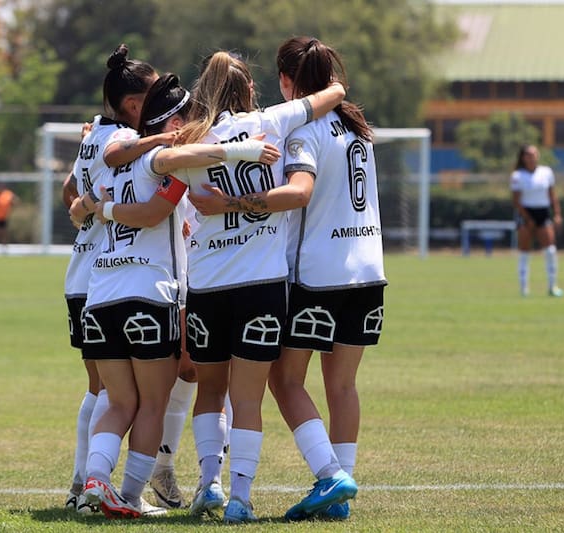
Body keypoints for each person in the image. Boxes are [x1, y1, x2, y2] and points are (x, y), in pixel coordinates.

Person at [71, 73, 280, 519]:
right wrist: (241, 149)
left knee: (117, 399)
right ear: (171, 124)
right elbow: (156, 208)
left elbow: (76, 201)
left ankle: (93, 481)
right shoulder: (165, 161)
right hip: (150, 293)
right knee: (152, 402)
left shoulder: (112, 158)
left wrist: (96, 207)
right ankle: (128, 495)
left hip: (100, 293)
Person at [189, 37, 378, 521]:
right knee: (343, 387)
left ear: (287, 83)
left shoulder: (295, 131)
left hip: (315, 275)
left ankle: (329, 474)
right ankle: (337, 496)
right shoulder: (357, 129)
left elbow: (299, 192)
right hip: (368, 271)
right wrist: (337, 88)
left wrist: (228, 204)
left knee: (284, 380)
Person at [62, 43, 172, 516]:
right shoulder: (117, 140)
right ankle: (97, 486)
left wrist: (89, 205)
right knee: (120, 394)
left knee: (106, 392)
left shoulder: (94, 135)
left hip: (89, 275)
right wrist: (161, 142)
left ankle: (84, 484)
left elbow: (70, 191)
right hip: (110, 275)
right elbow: (114, 158)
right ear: (133, 104)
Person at [511, 144, 563, 297]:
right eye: (528, 154)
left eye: (534, 154)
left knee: (550, 250)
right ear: (523, 157)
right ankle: (524, 288)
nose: (532, 157)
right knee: (524, 251)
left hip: (543, 212)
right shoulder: (517, 176)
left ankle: (552, 286)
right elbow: (516, 201)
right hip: (525, 212)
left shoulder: (546, 172)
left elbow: (552, 195)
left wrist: (557, 214)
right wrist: (527, 218)